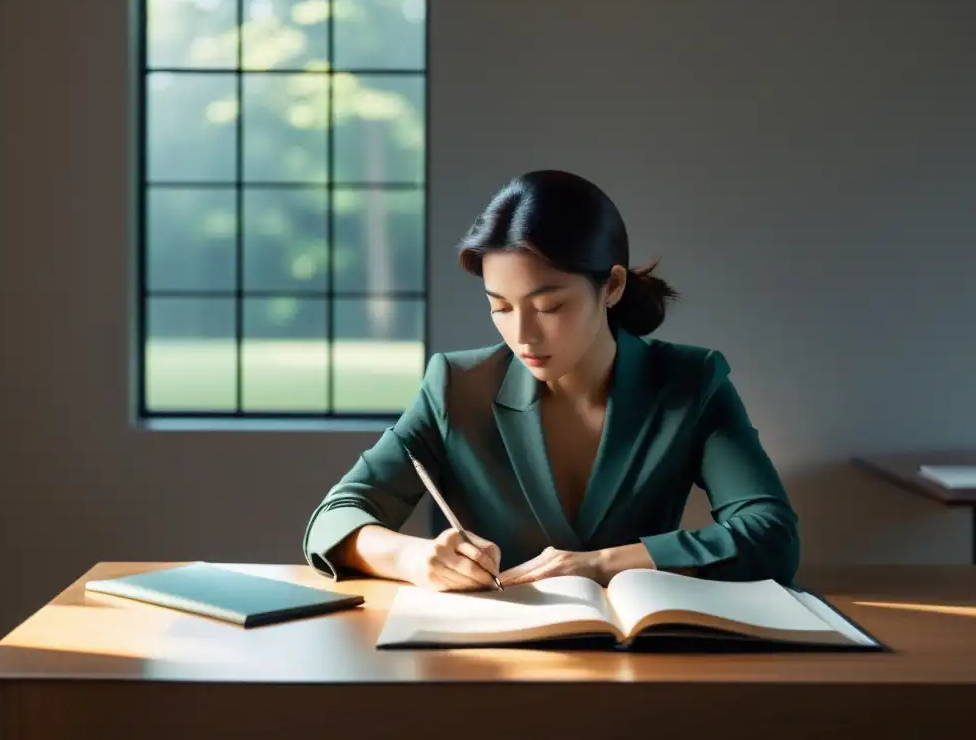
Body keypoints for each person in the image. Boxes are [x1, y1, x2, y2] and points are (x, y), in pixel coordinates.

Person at [302, 169, 800, 591]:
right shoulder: (456, 385)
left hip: (649, 658)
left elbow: (771, 535)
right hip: (487, 665)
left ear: (614, 286)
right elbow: (336, 516)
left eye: (549, 306)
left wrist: (605, 563)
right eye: (499, 306)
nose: (523, 335)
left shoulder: (691, 382)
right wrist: (414, 559)